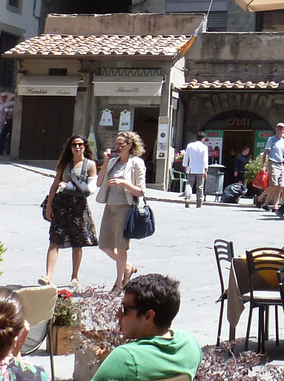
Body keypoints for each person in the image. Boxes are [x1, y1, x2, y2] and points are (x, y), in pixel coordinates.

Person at [93, 274, 201, 381]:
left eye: (124, 309)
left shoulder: (126, 358)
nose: (118, 314)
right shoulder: (190, 344)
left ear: (148, 316)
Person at [42, 135, 98, 287]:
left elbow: (91, 189)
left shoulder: (90, 165)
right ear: (70, 147)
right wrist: (49, 206)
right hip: (61, 206)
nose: (77, 147)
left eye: (80, 144)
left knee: (77, 242)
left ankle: (75, 276)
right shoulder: (64, 164)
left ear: (85, 147)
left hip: (78, 207)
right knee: (55, 239)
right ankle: (48, 275)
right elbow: (55, 185)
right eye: (74, 145)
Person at [97, 131, 147, 291]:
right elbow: (99, 182)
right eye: (116, 144)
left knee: (121, 246)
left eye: (121, 144)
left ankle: (118, 283)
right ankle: (127, 267)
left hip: (125, 208)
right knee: (104, 245)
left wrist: (123, 183)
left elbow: (141, 191)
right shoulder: (112, 162)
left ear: (130, 145)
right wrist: (105, 161)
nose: (117, 147)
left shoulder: (136, 163)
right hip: (109, 207)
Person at [261, 123, 284, 211]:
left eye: (281, 128)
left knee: (280, 186)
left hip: (280, 164)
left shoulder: (283, 141)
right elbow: (266, 152)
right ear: (276, 129)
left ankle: (275, 206)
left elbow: (281, 152)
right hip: (272, 163)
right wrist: (263, 165)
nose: (280, 130)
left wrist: (281, 158)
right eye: (278, 128)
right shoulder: (271, 139)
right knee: (274, 185)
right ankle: (260, 197)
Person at [181, 133, 208, 209]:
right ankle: (199, 202)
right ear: (203, 139)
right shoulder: (204, 147)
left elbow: (186, 156)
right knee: (199, 186)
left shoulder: (190, 145)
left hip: (191, 168)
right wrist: (206, 170)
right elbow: (205, 159)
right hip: (200, 169)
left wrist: (185, 165)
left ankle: (187, 197)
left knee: (189, 184)